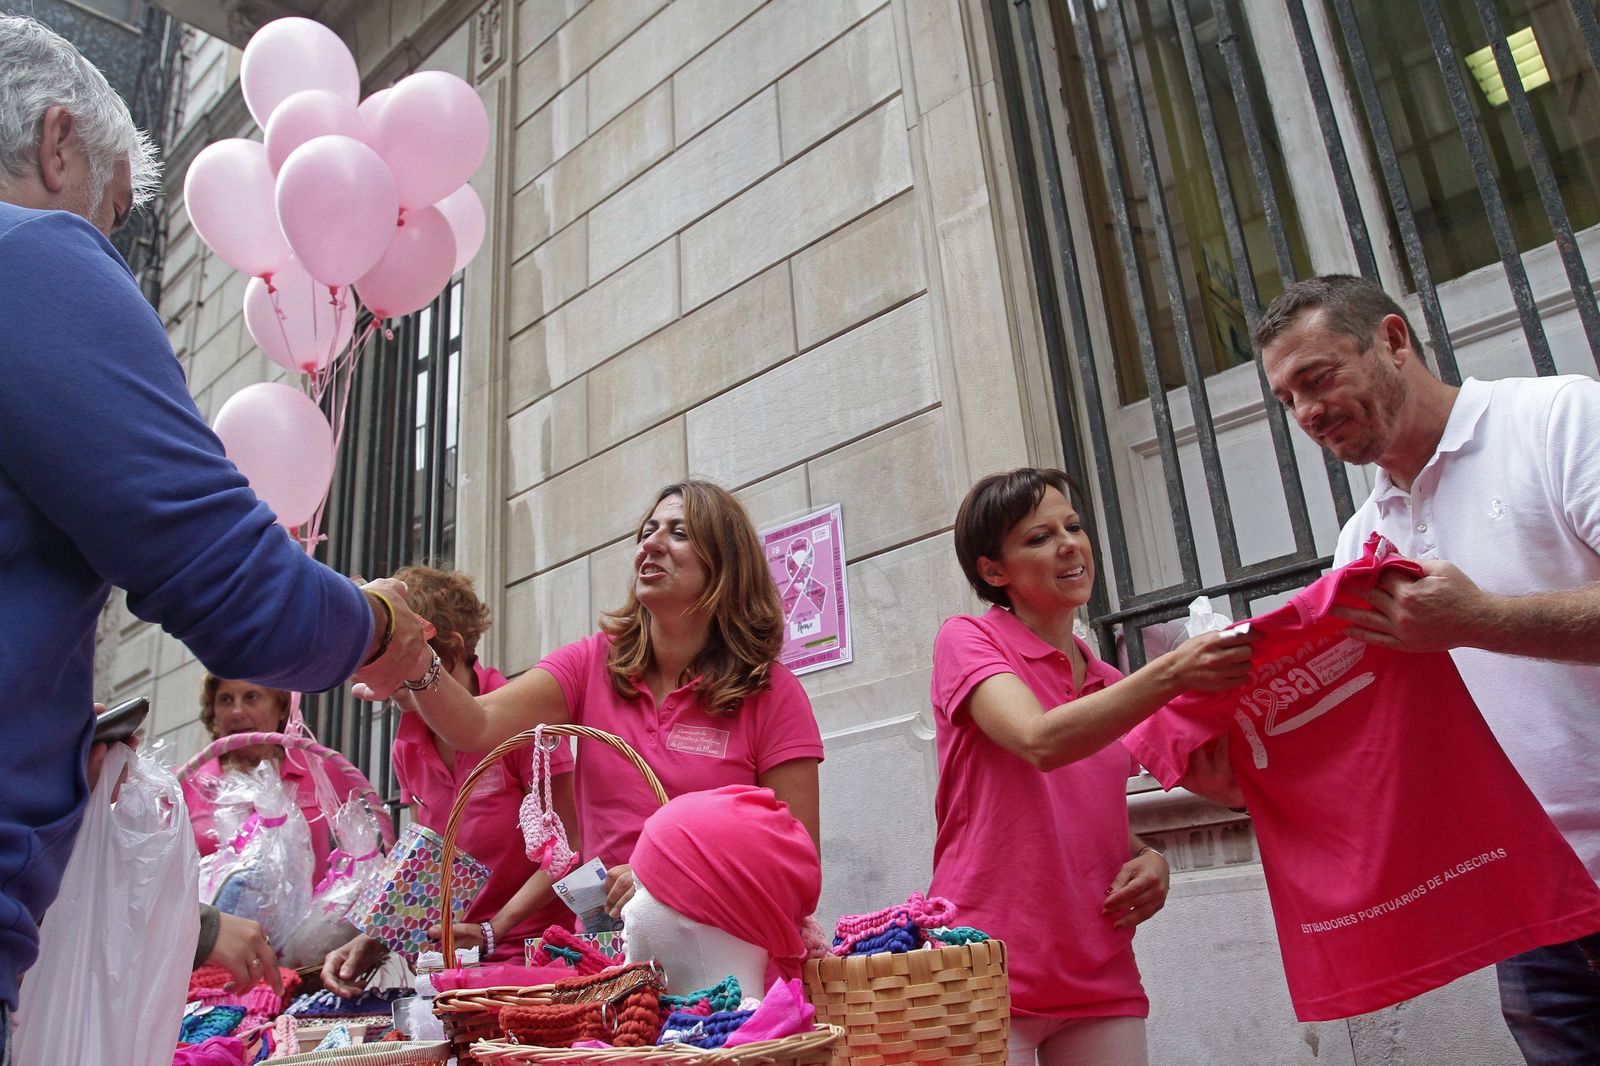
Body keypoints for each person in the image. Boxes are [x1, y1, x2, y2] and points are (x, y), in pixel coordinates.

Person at [0, 14, 430, 1047]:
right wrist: (377, 625)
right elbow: (242, 591)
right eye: (109, 215)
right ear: (57, 143)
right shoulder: (32, 259)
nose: (104, 249)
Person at [1256, 273, 1600, 1064]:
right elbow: (1370, 747)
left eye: (1317, 378)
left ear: (1393, 340)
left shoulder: (1557, 419)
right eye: (1287, 399)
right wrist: (1243, 768)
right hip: (1536, 907)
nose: (1306, 413)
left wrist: (1485, 620)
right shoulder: (1360, 544)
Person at [363, 481, 824, 920]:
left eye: (679, 533)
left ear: (727, 565)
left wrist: (671, 881)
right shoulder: (591, 663)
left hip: (721, 955)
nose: (651, 544)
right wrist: (413, 654)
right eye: (648, 531)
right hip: (608, 956)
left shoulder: (772, 692)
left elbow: (798, 869)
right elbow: (477, 724)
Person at [930, 469, 1256, 1066]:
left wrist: (1150, 857)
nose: (1069, 545)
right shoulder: (968, 639)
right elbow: (1038, 740)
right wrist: (1173, 671)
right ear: (994, 572)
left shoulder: (1110, 684)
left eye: (1074, 527)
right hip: (980, 961)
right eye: (1039, 537)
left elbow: (1084, 809)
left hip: (1099, 967)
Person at [322, 566, 580, 994]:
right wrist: (377, 936)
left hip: (540, 954)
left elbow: (571, 845)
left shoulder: (521, 720)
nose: (385, 687)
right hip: (455, 960)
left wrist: (494, 930)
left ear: (451, 652)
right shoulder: (406, 742)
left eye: (400, 671)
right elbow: (428, 860)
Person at [183, 676, 374, 884]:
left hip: (314, 905)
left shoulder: (321, 771)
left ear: (282, 708)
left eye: (251, 697)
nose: (236, 712)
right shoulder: (187, 784)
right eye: (225, 700)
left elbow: (360, 850)